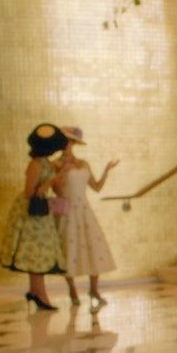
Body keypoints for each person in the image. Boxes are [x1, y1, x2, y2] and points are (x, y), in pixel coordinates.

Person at [0, 124, 68, 309]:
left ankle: (36, 292)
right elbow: (29, 192)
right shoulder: (36, 164)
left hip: (41, 212)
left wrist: (59, 177)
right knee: (35, 253)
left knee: (38, 252)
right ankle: (40, 295)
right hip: (31, 212)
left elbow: (58, 190)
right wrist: (49, 183)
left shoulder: (46, 163)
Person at [50, 128, 119, 310]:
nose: (67, 145)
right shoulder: (55, 164)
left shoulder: (83, 163)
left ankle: (94, 290)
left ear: (74, 144)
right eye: (64, 142)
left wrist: (106, 170)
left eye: (70, 142)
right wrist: (62, 171)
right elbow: (57, 191)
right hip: (68, 210)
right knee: (69, 248)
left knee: (93, 247)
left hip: (85, 210)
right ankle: (72, 291)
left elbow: (96, 187)